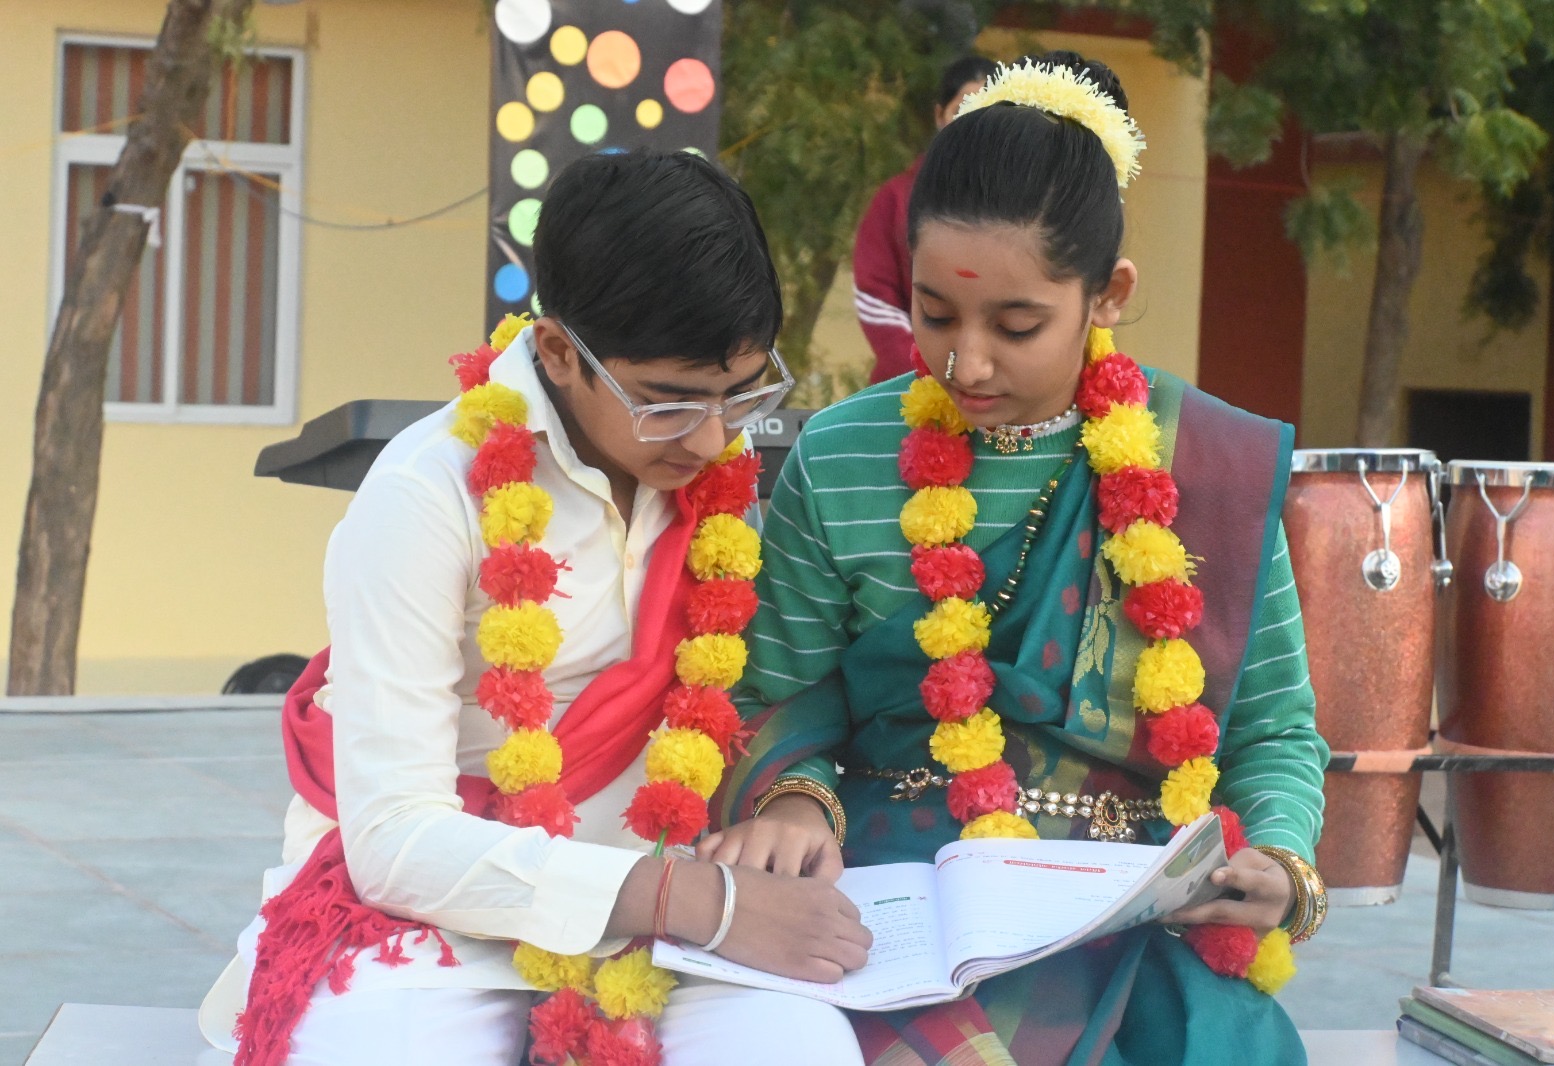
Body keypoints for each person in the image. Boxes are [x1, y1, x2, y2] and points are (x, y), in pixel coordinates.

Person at [706, 53, 1330, 1065]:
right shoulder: (843, 454)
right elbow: (771, 695)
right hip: (900, 903)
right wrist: (793, 797)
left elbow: (1273, 730)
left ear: (1108, 294)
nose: (967, 361)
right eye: (934, 314)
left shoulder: (1208, 463)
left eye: (1017, 324)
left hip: (1133, 913)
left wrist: (1279, 859)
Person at [197, 150, 872, 1066]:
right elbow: (394, 842)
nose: (713, 437)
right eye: (670, 402)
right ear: (558, 351)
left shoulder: (713, 475)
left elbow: (773, 691)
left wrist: (789, 808)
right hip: (436, 919)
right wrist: (687, 901)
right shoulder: (426, 492)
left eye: (741, 394)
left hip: (671, 916)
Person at [854, 54, 999, 384]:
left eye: (988, 110)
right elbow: (875, 297)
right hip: (912, 384)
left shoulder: (1028, 203)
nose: (973, 122)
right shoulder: (895, 198)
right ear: (939, 115)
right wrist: (927, 371)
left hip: (1002, 384)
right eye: (962, 109)